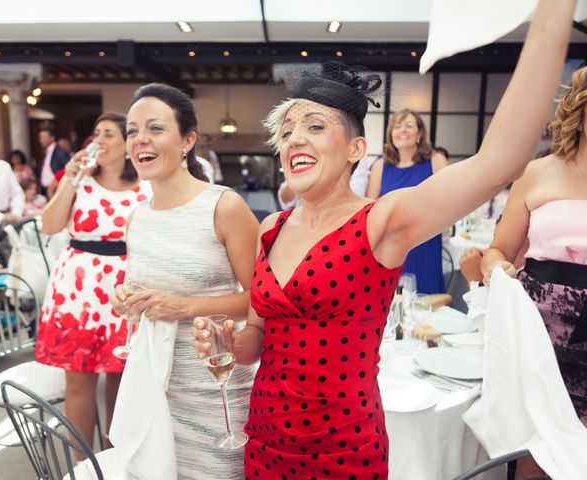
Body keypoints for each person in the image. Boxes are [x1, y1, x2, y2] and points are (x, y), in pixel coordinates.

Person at [190, 2, 574, 477]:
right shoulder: (270, 230)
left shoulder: (381, 222)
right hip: (267, 436)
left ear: (355, 149)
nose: (294, 141)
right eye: (286, 132)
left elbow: (499, 160)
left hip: (343, 446)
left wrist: (553, 14)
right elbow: (258, 339)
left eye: (314, 126)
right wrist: (226, 343)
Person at [109, 83, 258, 478]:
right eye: (133, 131)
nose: (141, 139)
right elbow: (138, 291)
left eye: (155, 128)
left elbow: (263, 300)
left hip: (218, 386)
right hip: (156, 387)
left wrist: (187, 307)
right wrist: (123, 299)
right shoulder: (137, 217)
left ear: (188, 140)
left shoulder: (224, 206)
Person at [481, 63, 587, 479]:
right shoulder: (538, 172)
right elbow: (498, 249)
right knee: (536, 456)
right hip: (539, 340)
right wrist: (496, 269)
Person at [35, 112, 149, 451]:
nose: (99, 139)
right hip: (77, 290)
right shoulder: (79, 181)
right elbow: (50, 225)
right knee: (79, 380)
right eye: (96, 133)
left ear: (128, 144)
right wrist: (70, 179)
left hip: (125, 288)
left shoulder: (147, 184)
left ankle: (116, 459)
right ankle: (82, 464)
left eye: (109, 134)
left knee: (121, 378)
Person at [366, 108, 449, 294]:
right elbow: (369, 210)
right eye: (397, 126)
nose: (402, 130)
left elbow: (450, 200)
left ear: (419, 134)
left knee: (425, 308)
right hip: (389, 247)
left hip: (424, 243)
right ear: (391, 134)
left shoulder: (436, 160)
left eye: (409, 126)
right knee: (390, 306)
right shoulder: (380, 166)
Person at [277, 154, 373, 209]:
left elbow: (356, 193)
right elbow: (284, 200)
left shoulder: (357, 157)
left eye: (317, 127)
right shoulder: (303, 155)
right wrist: (298, 177)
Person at [38, 127, 70, 197]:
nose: (41, 140)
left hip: (56, 189)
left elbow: (67, 169)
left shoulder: (60, 152)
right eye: (40, 137)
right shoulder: (46, 152)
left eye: (44, 137)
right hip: (45, 190)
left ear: (52, 138)